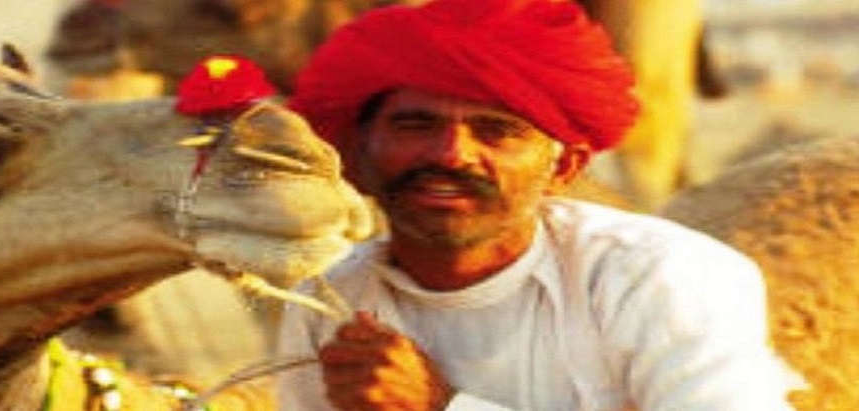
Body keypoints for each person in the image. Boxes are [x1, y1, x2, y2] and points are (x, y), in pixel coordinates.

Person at [275, 0, 803, 410]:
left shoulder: (657, 276)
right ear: (354, 156)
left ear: (566, 168)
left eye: (496, 131)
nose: (452, 154)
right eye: (416, 125)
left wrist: (444, 406)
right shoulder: (331, 301)